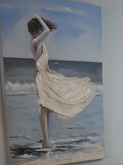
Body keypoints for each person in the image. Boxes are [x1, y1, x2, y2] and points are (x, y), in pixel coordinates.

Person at [27, 15, 96, 149]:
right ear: (34, 30)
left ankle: (46, 140)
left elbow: (42, 63)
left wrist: (50, 71)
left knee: (49, 107)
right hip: (42, 77)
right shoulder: (35, 41)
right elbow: (47, 31)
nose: (39, 31)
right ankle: (46, 141)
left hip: (45, 75)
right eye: (38, 29)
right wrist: (39, 19)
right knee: (43, 106)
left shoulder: (37, 42)